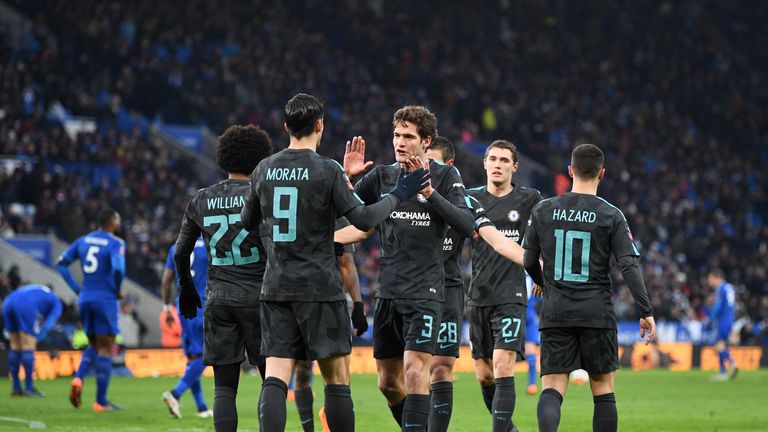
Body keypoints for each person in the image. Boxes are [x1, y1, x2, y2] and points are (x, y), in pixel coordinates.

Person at [240, 93, 427, 432]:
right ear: (320, 126)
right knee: (336, 380)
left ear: (286, 127)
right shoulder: (327, 170)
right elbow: (366, 218)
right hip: (320, 288)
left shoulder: (263, 169)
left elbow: (247, 223)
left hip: (277, 286)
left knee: (276, 377)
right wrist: (400, 192)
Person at [341, 107, 474, 432]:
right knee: (387, 382)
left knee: (416, 371)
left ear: (426, 141)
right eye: (397, 135)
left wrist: (429, 193)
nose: (400, 142)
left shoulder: (444, 176)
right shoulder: (383, 176)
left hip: (427, 293)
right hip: (388, 293)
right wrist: (348, 178)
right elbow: (346, 214)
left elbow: (467, 224)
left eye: (408, 136)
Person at [522, 143, 656, 432]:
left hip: (556, 311)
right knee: (603, 390)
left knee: (552, 387)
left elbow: (528, 259)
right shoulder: (611, 215)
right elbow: (629, 265)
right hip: (597, 313)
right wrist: (645, 310)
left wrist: (542, 282)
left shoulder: (544, 209)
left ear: (570, 171)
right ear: (602, 173)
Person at [174, 124, 273, 432]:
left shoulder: (201, 198)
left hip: (218, 299)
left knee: (224, 388)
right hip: (260, 298)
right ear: (259, 158)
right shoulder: (263, 194)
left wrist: (187, 289)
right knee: (271, 379)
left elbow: (180, 254)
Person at [464, 140, 542, 432]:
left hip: (512, 294)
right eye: (493, 159)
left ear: (514, 167)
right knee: (484, 374)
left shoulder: (529, 198)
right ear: (484, 163)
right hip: (478, 295)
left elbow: (542, 237)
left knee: (502, 365)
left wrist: (539, 271)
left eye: (504, 160)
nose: (497, 164)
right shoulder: (470, 199)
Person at [291, 218, 368, 432]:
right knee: (328, 372)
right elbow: (346, 263)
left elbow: (346, 262)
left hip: (298, 298)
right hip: (319, 299)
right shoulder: (331, 215)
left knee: (310, 371)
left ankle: (327, 419)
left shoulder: (332, 215)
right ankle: (318, 425)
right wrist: (358, 304)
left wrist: (358, 304)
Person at [56, 208, 125, 412]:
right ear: (112, 222)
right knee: (106, 347)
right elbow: (119, 268)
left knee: (93, 344)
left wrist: (78, 289)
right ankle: (101, 402)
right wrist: (117, 288)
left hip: (85, 298)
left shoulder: (83, 240)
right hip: (105, 299)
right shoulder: (116, 243)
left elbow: (61, 265)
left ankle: (78, 378)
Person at [160, 237, 213, 418]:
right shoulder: (208, 245)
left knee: (193, 358)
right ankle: (175, 394)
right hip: (201, 304)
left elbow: (166, 281)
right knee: (206, 355)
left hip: (182, 304)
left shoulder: (175, 246)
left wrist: (167, 308)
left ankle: (202, 407)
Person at [2, 284, 62, 397]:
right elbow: (50, 322)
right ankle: (29, 387)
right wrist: (38, 336)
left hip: (8, 301)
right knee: (28, 345)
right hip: (24, 303)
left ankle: (16, 388)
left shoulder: (39, 292)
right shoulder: (56, 301)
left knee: (15, 345)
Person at [706, 268, 739, 380]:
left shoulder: (720, 289)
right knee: (720, 344)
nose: (708, 281)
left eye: (710, 278)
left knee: (719, 344)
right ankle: (725, 370)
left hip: (722, 319)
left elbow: (718, 306)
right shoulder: (729, 287)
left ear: (717, 278)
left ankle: (729, 367)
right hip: (729, 318)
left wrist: (711, 317)